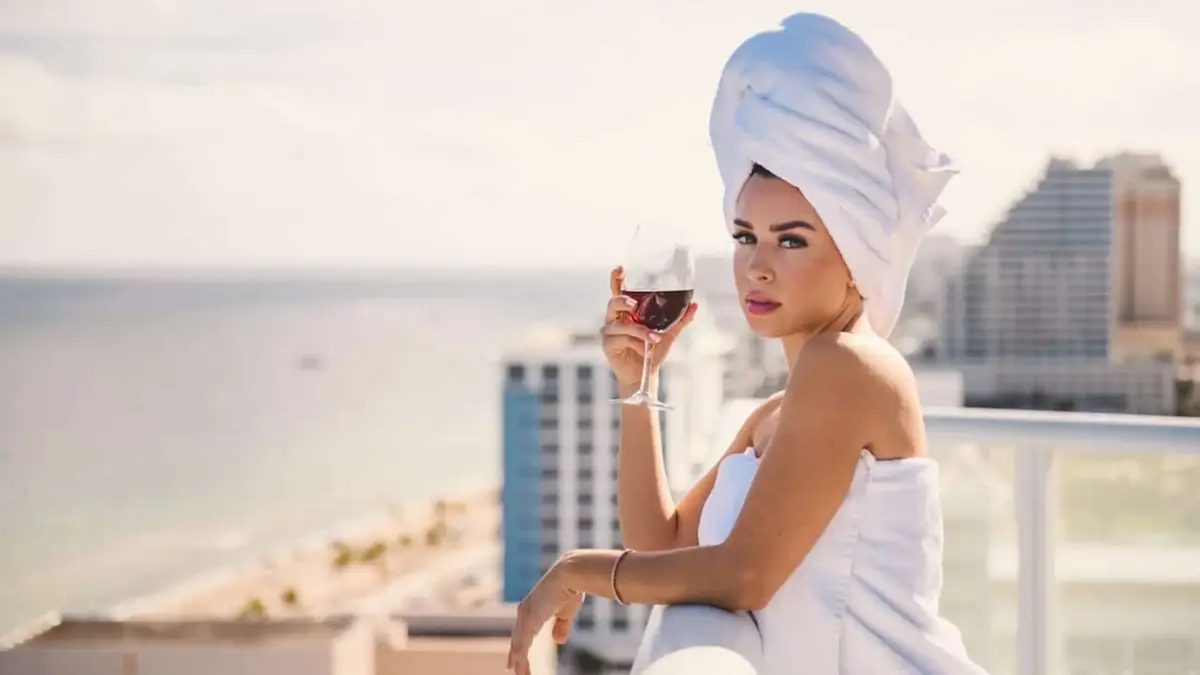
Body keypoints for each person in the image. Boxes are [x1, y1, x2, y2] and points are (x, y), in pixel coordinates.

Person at [507, 12, 987, 675]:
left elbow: (745, 575)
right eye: (744, 236)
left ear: (855, 254)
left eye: (791, 239)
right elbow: (664, 541)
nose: (757, 265)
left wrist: (575, 571)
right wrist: (636, 384)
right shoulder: (778, 408)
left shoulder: (848, 365)